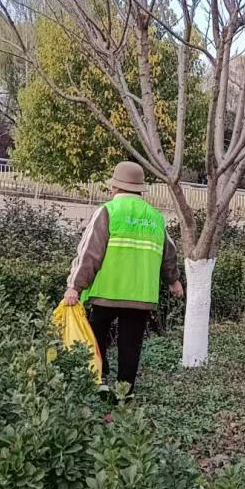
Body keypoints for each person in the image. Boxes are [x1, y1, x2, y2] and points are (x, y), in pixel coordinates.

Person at [64, 161, 184, 396]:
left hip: (107, 292)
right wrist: (174, 281)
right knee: (131, 344)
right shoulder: (155, 217)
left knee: (96, 335)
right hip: (140, 295)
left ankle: (100, 381)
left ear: (114, 188)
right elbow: (169, 253)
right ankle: (125, 392)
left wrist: (74, 287)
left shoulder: (108, 211)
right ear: (140, 189)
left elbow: (89, 252)